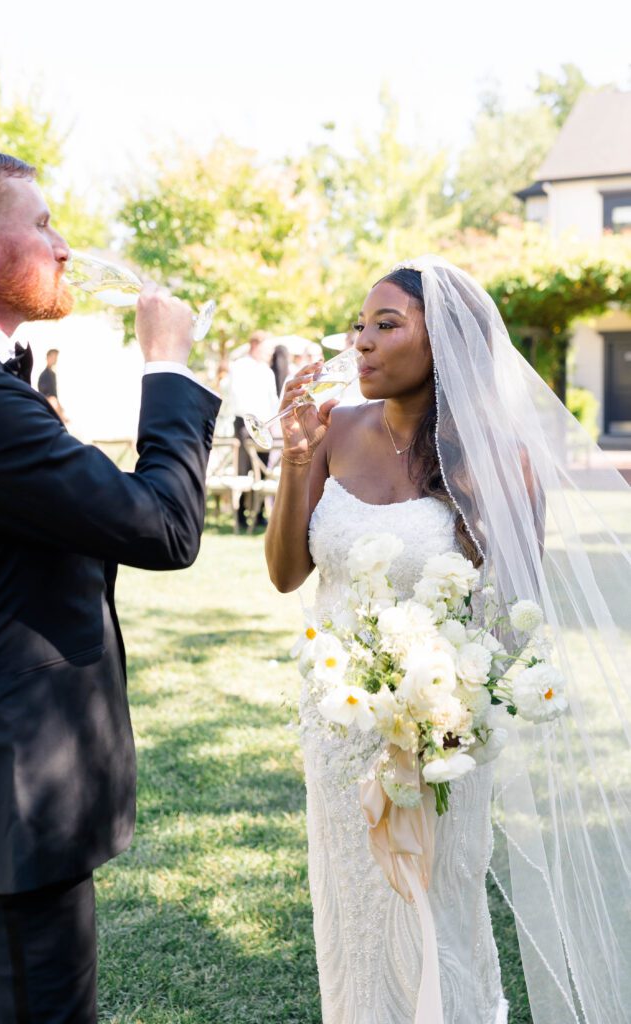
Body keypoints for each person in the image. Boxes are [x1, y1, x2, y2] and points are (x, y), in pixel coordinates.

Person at [265, 256, 631, 1024]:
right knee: (355, 921)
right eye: (358, 325)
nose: (361, 342)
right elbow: (285, 572)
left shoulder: (504, 462)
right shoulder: (330, 431)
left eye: (387, 325)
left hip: (444, 740)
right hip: (340, 733)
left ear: (448, 345)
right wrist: (296, 458)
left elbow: (510, 625)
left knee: (441, 919)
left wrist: (445, 709)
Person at [0, 146, 220, 1023]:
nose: (66, 246)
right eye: (45, 223)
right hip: (10, 796)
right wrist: (169, 366)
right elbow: (162, 528)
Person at [229, 330, 277, 529]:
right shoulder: (240, 366)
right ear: (256, 345)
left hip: (265, 424)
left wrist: (271, 421)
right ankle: (240, 513)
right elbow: (237, 396)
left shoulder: (267, 371)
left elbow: (272, 398)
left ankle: (258, 513)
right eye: (267, 348)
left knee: (263, 469)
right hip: (245, 423)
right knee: (243, 469)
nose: (270, 353)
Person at [37, 346, 67, 420]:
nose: (55, 359)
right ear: (48, 357)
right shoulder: (44, 374)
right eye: (53, 357)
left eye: (56, 357)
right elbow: (46, 395)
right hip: (47, 403)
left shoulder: (52, 374)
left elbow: (54, 393)